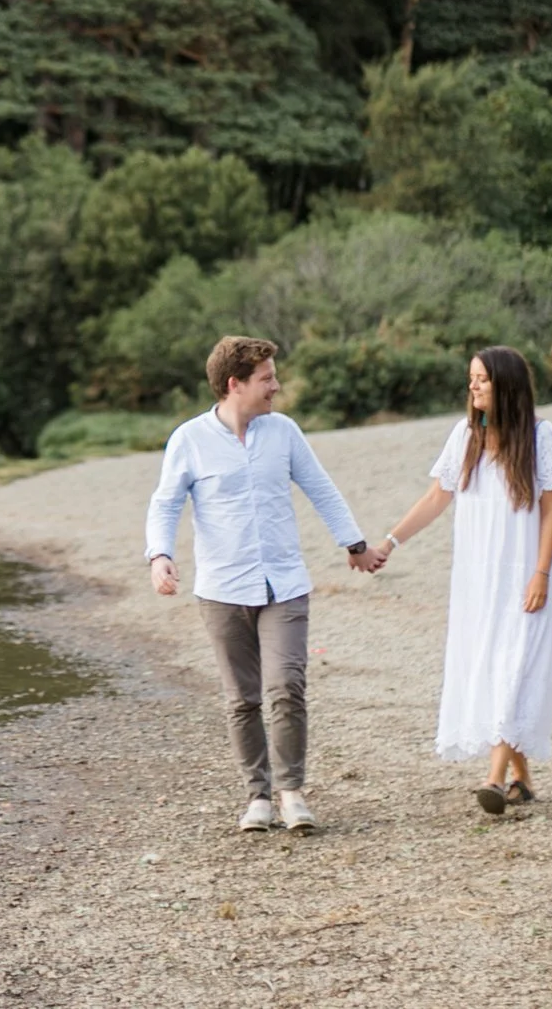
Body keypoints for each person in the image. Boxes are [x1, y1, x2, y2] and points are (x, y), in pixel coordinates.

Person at [145, 335, 385, 834]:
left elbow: (320, 486)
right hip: (221, 589)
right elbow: (166, 503)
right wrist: (160, 555)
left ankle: (291, 792)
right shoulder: (189, 439)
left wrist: (355, 544)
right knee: (242, 698)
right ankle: (257, 797)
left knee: (287, 687)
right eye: (267, 378)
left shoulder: (284, 433)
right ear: (235, 385)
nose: (276, 386)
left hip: (285, 583)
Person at [379, 344, 552, 815]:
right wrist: (389, 542)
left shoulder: (542, 438)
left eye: (481, 378)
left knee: (515, 665)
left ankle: (493, 778)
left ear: (505, 384)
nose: (473, 386)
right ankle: (521, 779)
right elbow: (435, 497)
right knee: (492, 667)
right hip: (478, 579)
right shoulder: (465, 437)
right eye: (471, 378)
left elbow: (551, 514)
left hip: (526, 575)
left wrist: (540, 573)